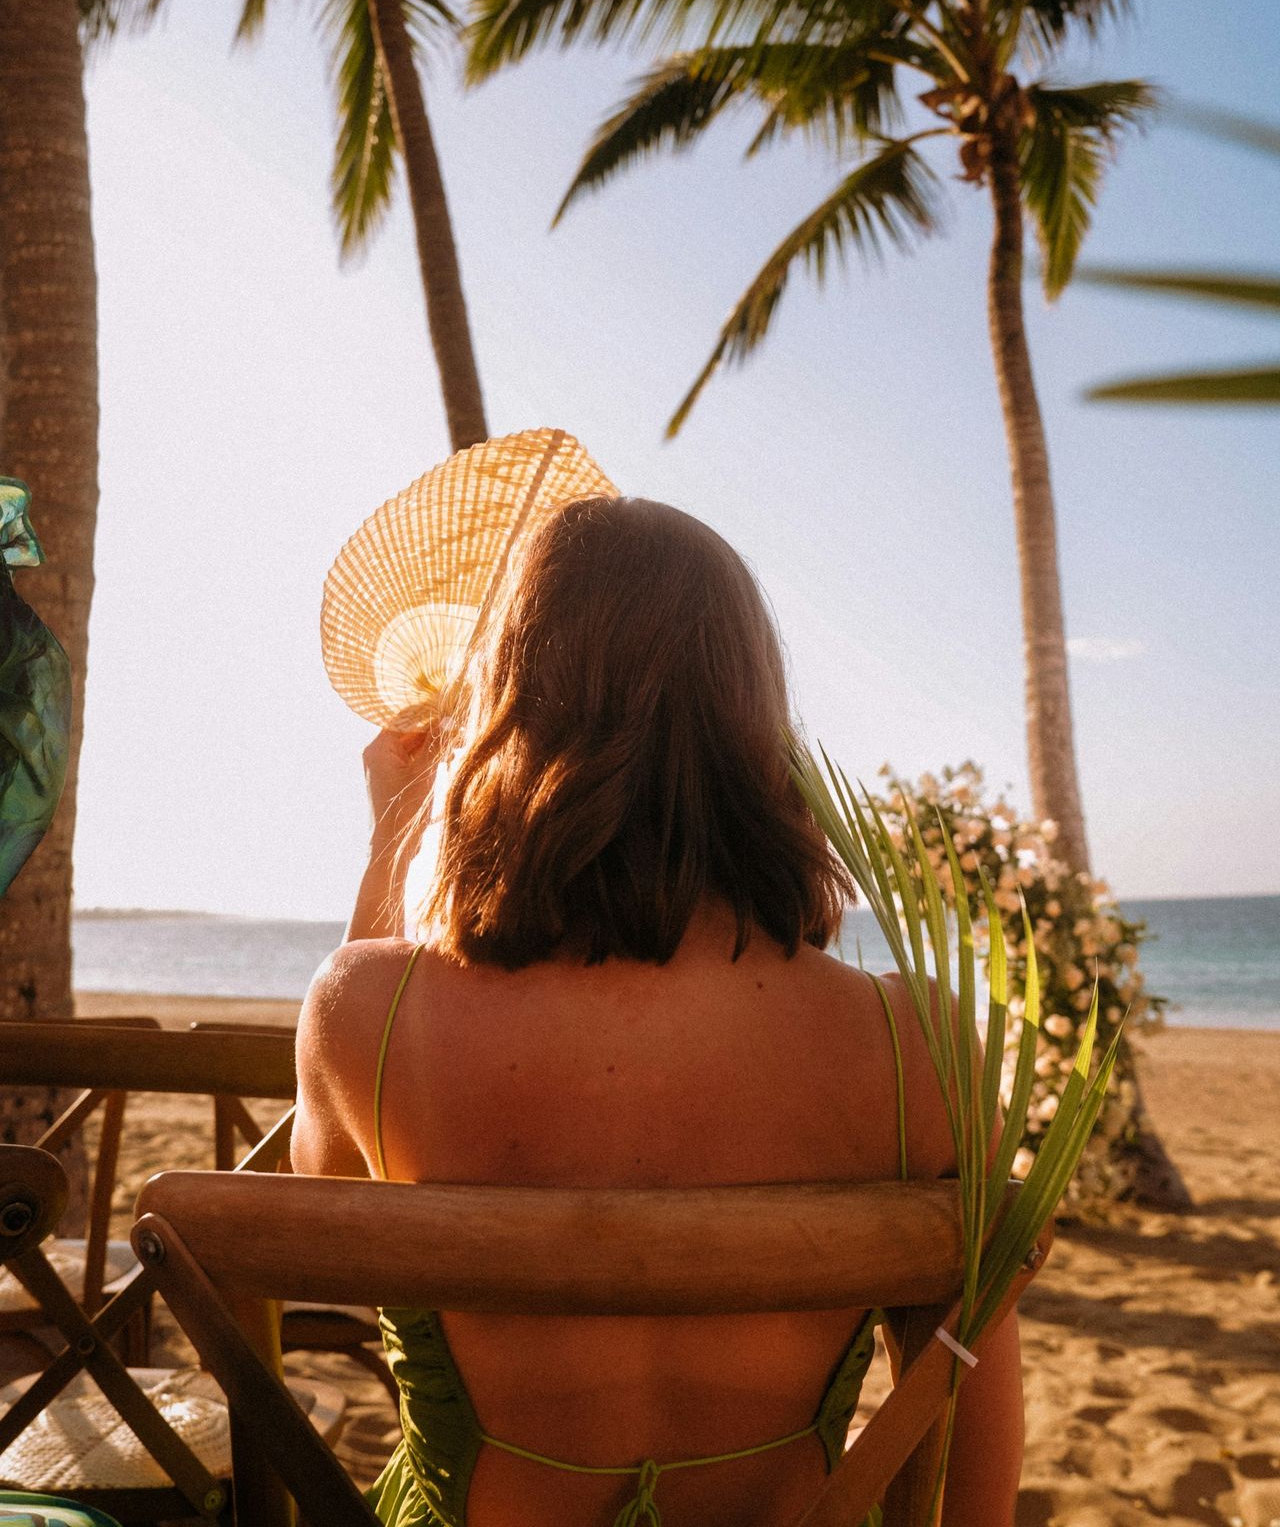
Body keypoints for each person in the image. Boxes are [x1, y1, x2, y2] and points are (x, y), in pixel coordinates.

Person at [291, 496, 1023, 1527]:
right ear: (756, 722)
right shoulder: (923, 1042)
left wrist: (390, 848)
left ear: (504, 707)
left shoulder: (363, 1012)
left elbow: (317, 1231)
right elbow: (967, 1404)